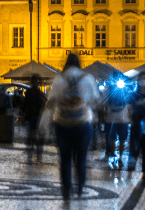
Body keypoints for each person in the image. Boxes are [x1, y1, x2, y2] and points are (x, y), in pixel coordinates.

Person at [45, 53, 100, 199]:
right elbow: (96, 102)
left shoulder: (58, 79)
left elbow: (50, 103)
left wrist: (45, 123)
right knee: (81, 159)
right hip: (83, 124)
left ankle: (67, 188)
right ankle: (81, 186)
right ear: (79, 63)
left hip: (62, 124)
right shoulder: (87, 78)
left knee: (65, 160)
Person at [127, 71, 145, 182]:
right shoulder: (133, 95)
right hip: (136, 125)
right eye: (141, 79)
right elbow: (128, 109)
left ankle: (144, 174)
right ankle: (129, 172)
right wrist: (131, 121)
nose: (143, 81)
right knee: (133, 149)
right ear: (138, 81)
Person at [105, 79, 130, 167]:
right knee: (112, 138)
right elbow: (109, 105)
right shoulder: (111, 94)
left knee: (122, 140)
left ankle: (120, 158)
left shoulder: (125, 94)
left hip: (122, 119)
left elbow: (127, 103)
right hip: (114, 120)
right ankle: (114, 154)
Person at [22, 74, 47, 161]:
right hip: (38, 116)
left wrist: (23, 114)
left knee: (31, 133)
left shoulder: (29, 92)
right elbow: (44, 104)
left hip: (31, 116)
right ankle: (38, 152)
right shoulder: (40, 93)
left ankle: (31, 149)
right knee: (38, 134)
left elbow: (25, 104)